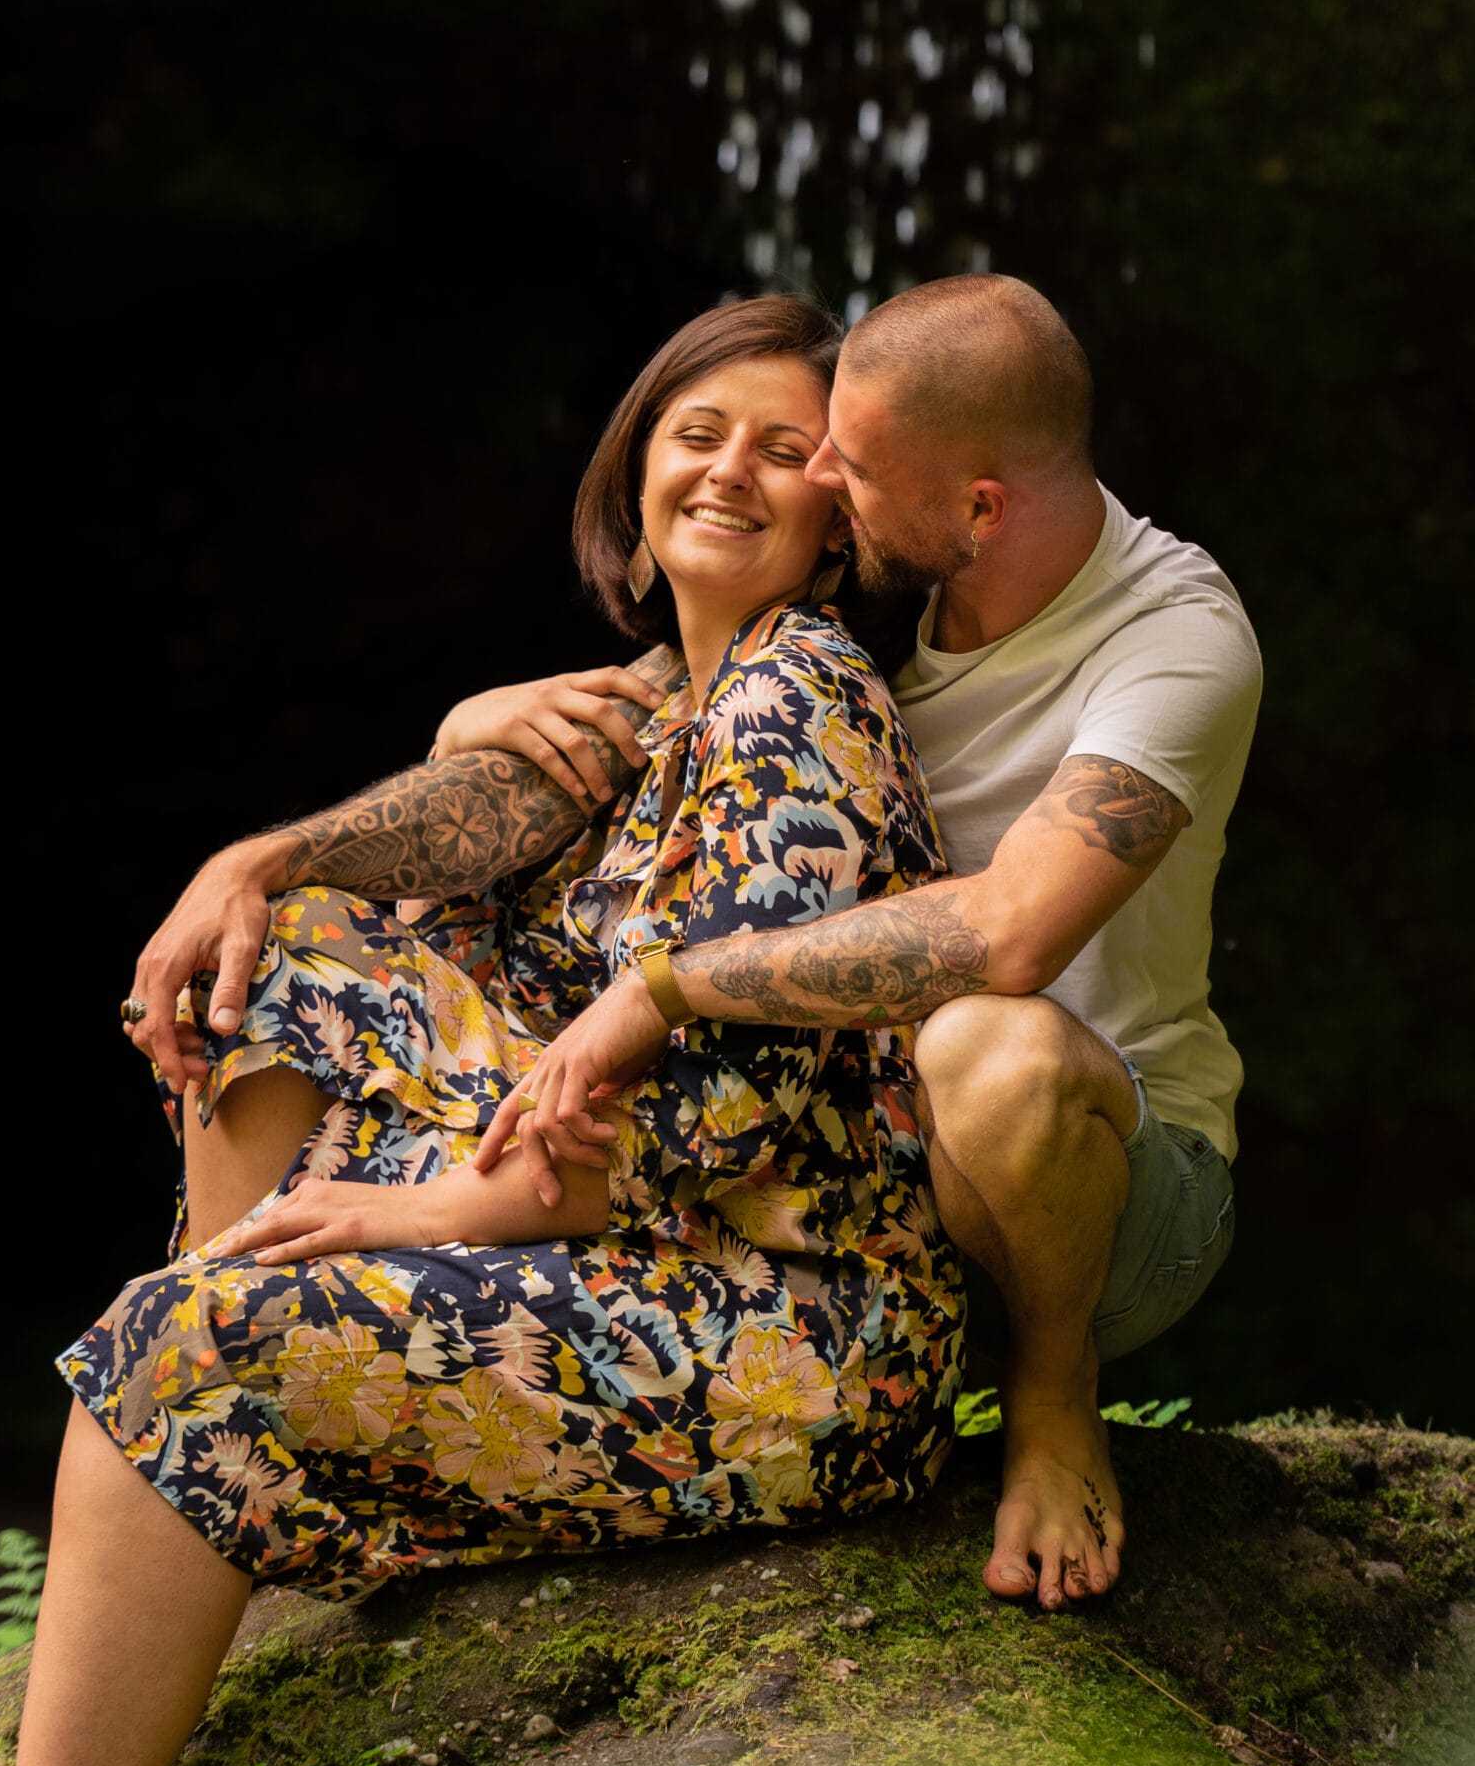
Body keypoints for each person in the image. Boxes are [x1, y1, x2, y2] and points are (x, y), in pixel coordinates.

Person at [0, 294, 963, 1766]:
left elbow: (761, 1053)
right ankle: (240, 1454)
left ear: (844, 521)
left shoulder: (805, 694)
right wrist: (252, 862)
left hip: (799, 1323)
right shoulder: (668, 700)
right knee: (300, 941)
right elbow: (459, 834)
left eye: (790, 451)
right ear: (634, 472)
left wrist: (449, 1214)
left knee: (190, 1352)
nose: (734, 469)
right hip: (632, 1204)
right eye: (699, 430)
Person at [473, 275, 1262, 1619]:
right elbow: (679, 700)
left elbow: (1010, 932)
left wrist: (660, 989)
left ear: (981, 508)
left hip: (1111, 1178)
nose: (821, 478)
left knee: (986, 1046)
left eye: (850, 459)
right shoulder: (889, 606)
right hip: (870, 1175)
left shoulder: (1176, 638)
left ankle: (1053, 1402)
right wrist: (470, 724)